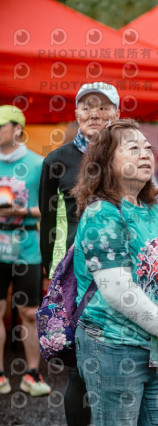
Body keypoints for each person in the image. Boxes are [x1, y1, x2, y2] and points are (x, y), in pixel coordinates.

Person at [71, 119, 158, 425]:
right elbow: (118, 290)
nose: (145, 154)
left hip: (157, 344)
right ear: (106, 162)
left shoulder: (154, 208)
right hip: (113, 347)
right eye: (133, 148)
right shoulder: (102, 213)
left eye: (147, 148)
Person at [39, 82, 120, 425]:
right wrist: (50, 272)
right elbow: (48, 221)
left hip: (122, 268)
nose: (94, 114)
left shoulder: (129, 155)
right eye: (87, 107)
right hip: (75, 272)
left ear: (117, 113)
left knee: (123, 353)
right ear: (76, 114)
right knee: (79, 365)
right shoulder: (56, 161)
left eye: (103, 107)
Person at [0, 105, 49, 396]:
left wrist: (24, 211)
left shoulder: (38, 163)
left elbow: (51, 207)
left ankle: (32, 373)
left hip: (27, 245)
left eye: (1, 125)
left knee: (29, 312)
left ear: (18, 128)